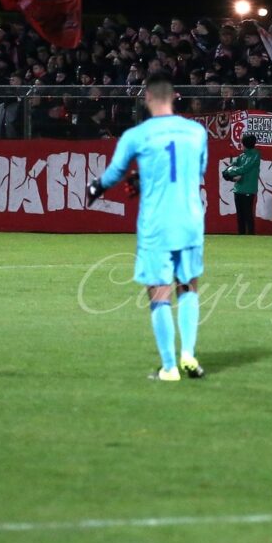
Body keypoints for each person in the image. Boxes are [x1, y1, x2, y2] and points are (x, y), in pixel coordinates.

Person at [87, 77, 210, 383]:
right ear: (174, 97)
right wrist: (150, 178)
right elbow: (197, 171)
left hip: (157, 224)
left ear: (148, 98)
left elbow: (115, 172)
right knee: (189, 286)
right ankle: (189, 355)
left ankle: (169, 367)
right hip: (191, 220)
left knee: (159, 292)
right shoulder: (197, 132)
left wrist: (97, 186)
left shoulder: (138, 134)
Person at [222, 132, 261, 235]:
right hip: (238, 190)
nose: (240, 144)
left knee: (248, 215)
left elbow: (243, 168)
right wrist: (228, 172)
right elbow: (232, 166)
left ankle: (250, 237)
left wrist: (229, 172)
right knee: (240, 216)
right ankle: (241, 237)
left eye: (241, 142)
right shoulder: (242, 156)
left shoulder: (255, 155)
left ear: (245, 143)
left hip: (248, 189)